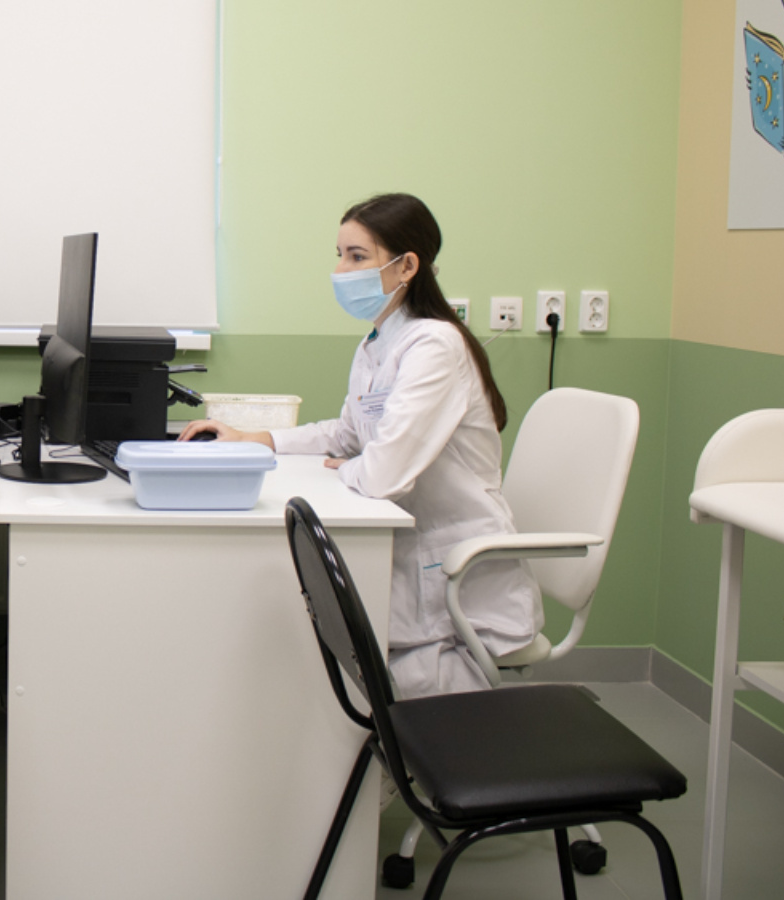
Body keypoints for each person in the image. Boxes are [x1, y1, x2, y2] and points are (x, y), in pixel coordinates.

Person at [179, 193, 541, 700]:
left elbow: (380, 474)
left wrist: (348, 466)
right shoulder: (378, 343)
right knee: (318, 652)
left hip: (457, 583)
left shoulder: (433, 345)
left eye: (357, 257)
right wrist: (256, 438)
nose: (341, 271)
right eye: (340, 255)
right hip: (415, 561)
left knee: (342, 681)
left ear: (407, 266)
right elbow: (349, 434)